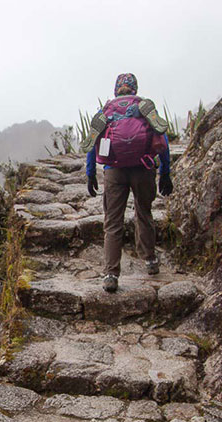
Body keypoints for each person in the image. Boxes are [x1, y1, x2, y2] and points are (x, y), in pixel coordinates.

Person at [85, 73, 174, 293]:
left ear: (116, 89)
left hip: (114, 171)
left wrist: (91, 174)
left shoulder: (105, 111)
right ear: (134, 89)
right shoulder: (145, 107)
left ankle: (111, 274)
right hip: (143, 168)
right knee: (144, 213)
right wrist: (165, 172)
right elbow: (162, 139)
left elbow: (92, 143)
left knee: (112, 222)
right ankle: (151, 260)